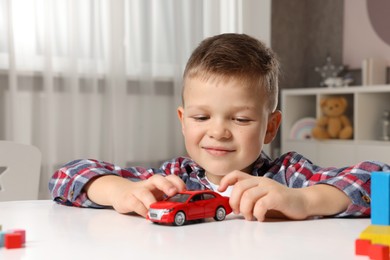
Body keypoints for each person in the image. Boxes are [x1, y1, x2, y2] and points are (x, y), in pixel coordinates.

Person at [49, 33, 389, 222]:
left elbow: (380, 180)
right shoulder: (172, 180)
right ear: (183, 121)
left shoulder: (289, 176)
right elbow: (68, 175)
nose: (219, 132)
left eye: (240, 119)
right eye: (201, 118)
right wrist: (121, 192)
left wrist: (304, 200)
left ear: (271, 128)